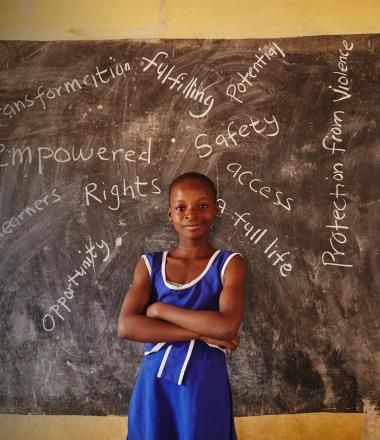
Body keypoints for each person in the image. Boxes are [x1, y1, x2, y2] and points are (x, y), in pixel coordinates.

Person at [117, 171, 247, 440]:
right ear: (169, 214)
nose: (191, 214)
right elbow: (127, 326)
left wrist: (159, 310)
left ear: (216, 210)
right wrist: (201, 332)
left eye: (202, 206)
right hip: (155, 384)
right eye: (181, 207)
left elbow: (225, 326)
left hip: (203, 382)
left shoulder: (229, 264)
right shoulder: (150, 264)